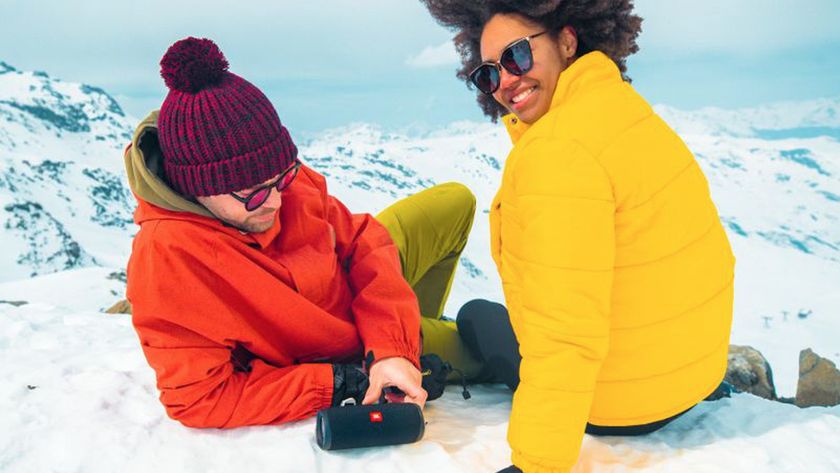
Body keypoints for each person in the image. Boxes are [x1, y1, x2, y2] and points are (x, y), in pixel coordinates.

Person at [420, 1, 736, 471]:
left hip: (624, 406)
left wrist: (537, 463)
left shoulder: (557, 155)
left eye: (517, 57)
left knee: (477, 316)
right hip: (694, 378)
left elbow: (564, 334)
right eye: (487, 74)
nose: (506, 80)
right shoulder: (622, 107)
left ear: (567, 41)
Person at [122, 37, 484, 428]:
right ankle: (420, 340)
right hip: (348, 347)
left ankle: (407, 335)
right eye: (253, 194)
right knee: (499, 346)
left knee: (456, 201)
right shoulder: (169, 264)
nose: (276, 202)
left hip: (366, 304)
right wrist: (341, 381)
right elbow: (200, 399)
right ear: (199, 186)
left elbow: (362, 240)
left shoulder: (271, 181)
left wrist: (394, 348)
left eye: (282, 179)